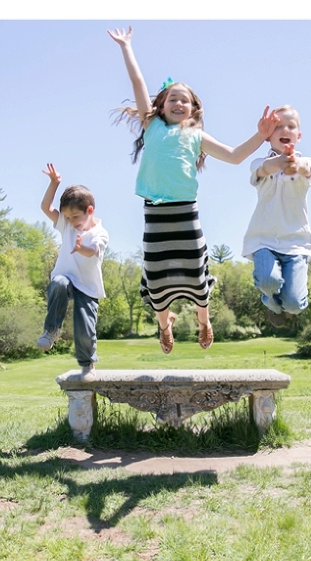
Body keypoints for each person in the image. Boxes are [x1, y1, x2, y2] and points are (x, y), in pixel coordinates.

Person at [108, 25, 279, 354]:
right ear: (161, 105)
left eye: (184, 100)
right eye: (173, 98)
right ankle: (164, 324)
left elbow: (233, 155)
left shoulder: (196, 136)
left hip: (186, 212)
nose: (178, 102)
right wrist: (126, 46)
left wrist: (260, 135)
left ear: (193, 109)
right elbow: (138, 83)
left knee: (195, 272)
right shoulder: (152, 125)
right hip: (155, 212)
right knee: (156, 275)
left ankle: (204, 321)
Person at [241, 105, 311, 328]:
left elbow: (306, 168)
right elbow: (264, 168)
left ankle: (285, 304)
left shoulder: (307, 163)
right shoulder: (259, 164)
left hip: (295, 244)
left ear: (298, 136)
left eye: (290, 126)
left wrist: (296, 164)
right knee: (268, 280)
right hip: (264, 240)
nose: (285, 130)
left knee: (294, 304)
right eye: (278, 126)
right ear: (268, 136)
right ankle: (269, 301)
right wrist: (281, 163)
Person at [36, 163, 109, 382]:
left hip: (87, 287)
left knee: (84, 327)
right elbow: (46, 208)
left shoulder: (100, 233)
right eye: (67, 218)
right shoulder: (67, 225)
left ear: (89, 211)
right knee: (57, 283)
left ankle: (88, 364)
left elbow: (94, 250)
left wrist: (81, 248)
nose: (70, 222)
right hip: (66, 279)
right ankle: (51, 331)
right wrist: (54, 183)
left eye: (75, 217)